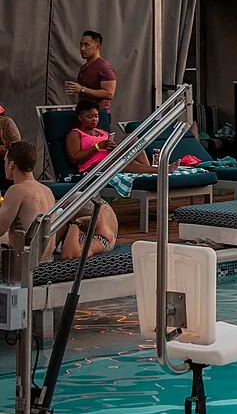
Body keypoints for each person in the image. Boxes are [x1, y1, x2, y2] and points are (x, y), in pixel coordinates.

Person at [0, 142, 56, 271]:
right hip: (47, 260)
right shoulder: (47, 190)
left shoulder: (17, 190)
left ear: (12, 164)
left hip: (24, 264)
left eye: (5, 161)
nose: (4, 165)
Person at [66, 100, 154, 175]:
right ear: (80, 117)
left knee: (131, 138)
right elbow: (74, 159)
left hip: (111, 158)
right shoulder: (75, 134)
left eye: (96, 116)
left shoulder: (102, 132)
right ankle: (155, 171)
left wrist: (112, 147)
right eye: (90, 117)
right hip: (92, 166)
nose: (94, 119)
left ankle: (148, 170)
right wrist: (97, 147)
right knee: (123, 163)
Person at [65, 30, 118, 121]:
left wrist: (82, 89)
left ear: (97, 46)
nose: (82, 48)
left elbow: (109, 94)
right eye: (81, 44)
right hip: (84, 114)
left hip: (98, 115)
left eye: (86, 45)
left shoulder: (104, 67)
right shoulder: (84, 67)